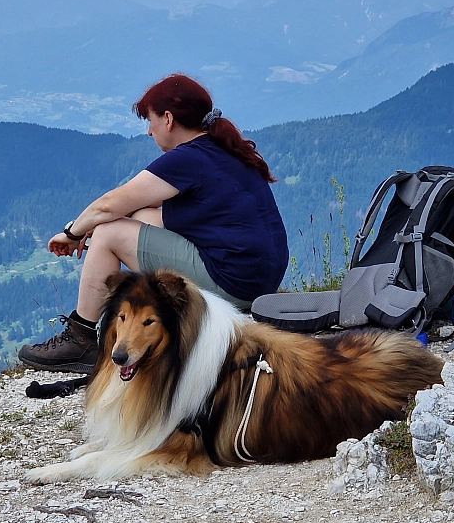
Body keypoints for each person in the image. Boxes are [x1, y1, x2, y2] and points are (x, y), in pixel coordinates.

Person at [17, 73, 289, 374]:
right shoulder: (221, 148)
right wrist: (93, 223)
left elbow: (109, 204)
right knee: (130, 220)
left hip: (233, 284)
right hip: (258, 281)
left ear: (168, 119)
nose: (149, 131)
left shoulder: (186, 159)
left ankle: (82, 339)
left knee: (109, 233)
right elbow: (142, 211)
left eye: (150, 120)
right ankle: (87, 335)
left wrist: (72, 233)